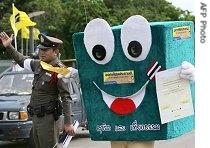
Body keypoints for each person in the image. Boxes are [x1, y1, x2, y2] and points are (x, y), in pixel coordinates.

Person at [0, 31, 75, 148]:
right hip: (36, 117)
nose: (42, 53)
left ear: (55, 52)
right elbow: (21, 60)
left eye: (45, 50)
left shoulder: (60, 71)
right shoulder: (39, 65)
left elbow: (66, 98)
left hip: (48, 119)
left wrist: (68, 123)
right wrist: (9, 46)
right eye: (40, 50)